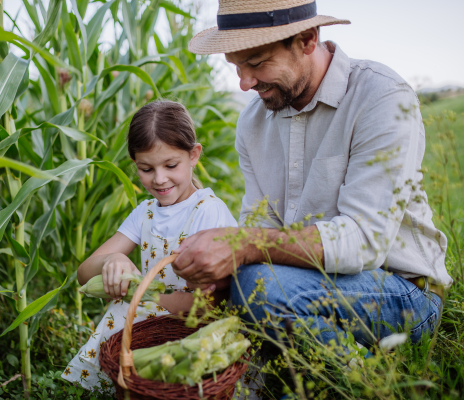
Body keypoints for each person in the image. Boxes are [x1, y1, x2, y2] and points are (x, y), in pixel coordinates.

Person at [172, 0, 452, 349]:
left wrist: (242, 246)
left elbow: (365, 240)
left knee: (264, 287)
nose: (244, 83)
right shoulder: (252, 122)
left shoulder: (380, 97)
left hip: (401, 291)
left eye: (256, 62)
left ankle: (361, 382)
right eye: (236, 66)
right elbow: (263, 226)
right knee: (243, 286)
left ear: (306, 39)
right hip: (305, 282)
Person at [62, 100, 238, 391]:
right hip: (149, 323)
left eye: (171, 165)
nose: (159, 179)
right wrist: (112, 261)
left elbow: (209, 304)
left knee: (122, 310)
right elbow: (83, 273)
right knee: (122, 311)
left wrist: (141, 296)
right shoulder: (145, 212)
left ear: (194, 155)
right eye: (146, 168)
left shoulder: (208, 212)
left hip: (193, 333)